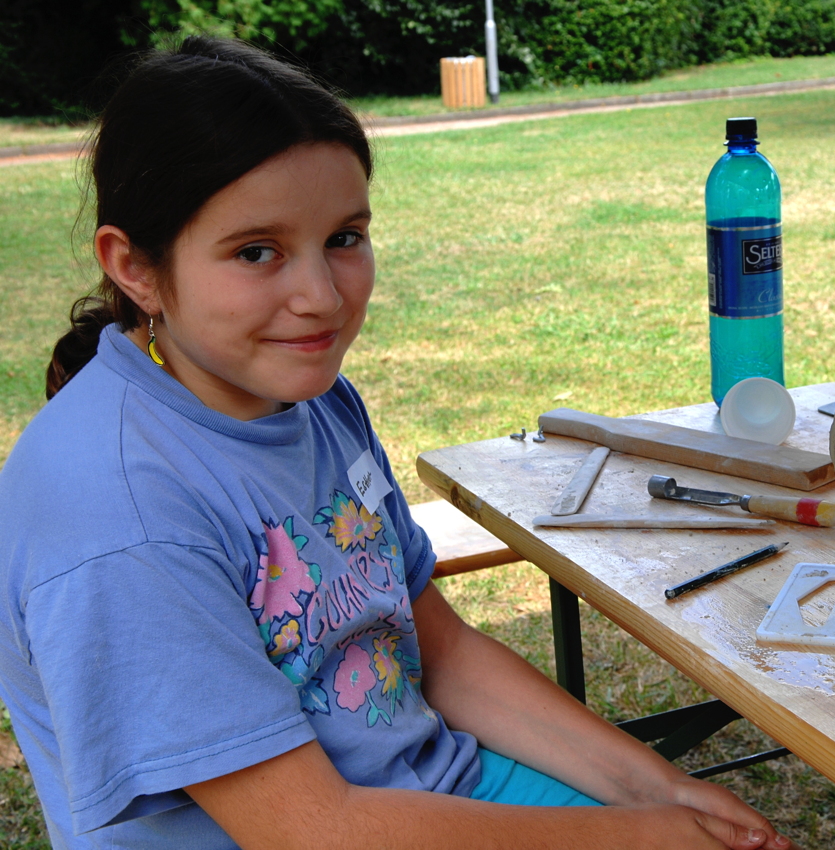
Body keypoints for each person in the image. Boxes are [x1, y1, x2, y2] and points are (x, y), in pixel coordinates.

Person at [0, 37, 794, 850]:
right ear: (133, 266)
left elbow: (440, 652)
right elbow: (313, 831)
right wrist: (637, 837)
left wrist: (655, 786)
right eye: (256, 252)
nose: (320, 296)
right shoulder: (117, 513)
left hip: (428, 793)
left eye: (344, 236)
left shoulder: (308, 398)